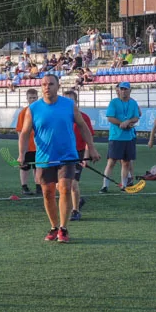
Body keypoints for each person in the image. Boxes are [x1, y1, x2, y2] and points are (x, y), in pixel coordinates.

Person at [18, 74, 100, 243]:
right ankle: (54, 227)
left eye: (51, 84)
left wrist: (91, 148)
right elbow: (25, 133)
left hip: (67, 156)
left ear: (58, 86)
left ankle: (63, 228)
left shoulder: (69, 105)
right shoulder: (33, 109)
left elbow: (83, 127)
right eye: (44, 84)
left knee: (64, 188)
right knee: (47, 193)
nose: (47, 87)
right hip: (44, 157)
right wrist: (22, 154)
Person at [100, 82, 141, 193]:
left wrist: (128, 122)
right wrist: (121, 123)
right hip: (116, 137)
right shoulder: (113, 102)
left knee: (126, 162)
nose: (123, 91)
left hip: (129, 137)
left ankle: (124, 185)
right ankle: (105, 185)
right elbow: (110, 117)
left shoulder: (133, 103)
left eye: (125, 89)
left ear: (130, 90)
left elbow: (136, 117)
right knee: (111, 161)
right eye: (121, 89)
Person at [62, 90, 94, 221]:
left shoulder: (83, 117)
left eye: (71, 100)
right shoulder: (60, 117)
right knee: (61, 185)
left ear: (76, 102)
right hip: (62, 153)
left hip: (77, 153)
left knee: (73, 183)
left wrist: (86, 156)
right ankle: (78, 200)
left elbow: (88, 137)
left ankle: (75, 211)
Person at [16, 89, 42, 196]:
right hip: (28, 146)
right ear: (27, 99)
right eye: (30, 98)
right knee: (25, 167)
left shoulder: (41, 110)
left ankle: (38, 186)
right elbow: (19, 130)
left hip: (39, 146)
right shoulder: (24, 112)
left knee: (38, 167)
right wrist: (22, 146)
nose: (33, 99)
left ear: (37, 98)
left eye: (34, 97)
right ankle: (24, 186)